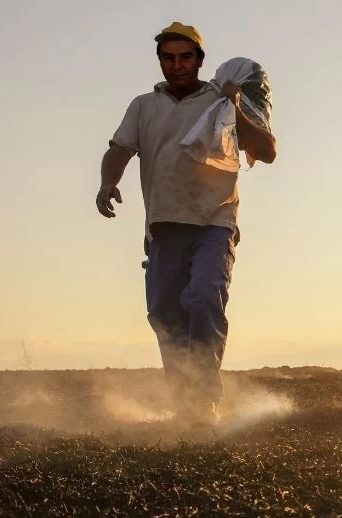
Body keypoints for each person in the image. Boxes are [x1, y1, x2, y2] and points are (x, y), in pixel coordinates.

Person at [96, 22, 276, 427]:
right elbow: (119, 149)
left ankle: (204, 401)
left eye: (185, 57)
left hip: (215, 220)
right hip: (164, 224)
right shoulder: (143, 105)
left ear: (199, 61)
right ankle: (184, 398)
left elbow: (266, 152)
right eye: (168, 57)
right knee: (163, 311)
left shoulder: (221, 98)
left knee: (204, 297)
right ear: (160, 61)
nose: (176, 65)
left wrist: (237, 104)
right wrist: (108, 181)